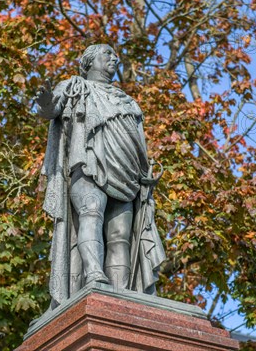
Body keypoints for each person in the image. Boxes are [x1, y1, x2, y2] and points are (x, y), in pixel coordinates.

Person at [36, 44, 165, 309]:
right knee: (90, 213)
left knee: (120, 235)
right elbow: (51, 110)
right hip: (88, 165)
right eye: (107, 53)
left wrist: (145, 173)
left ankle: (121, 294)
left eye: (115, 54)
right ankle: (94, 274)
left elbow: (137, 142)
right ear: (89, 61)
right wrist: (46, 101)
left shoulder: (127, 101)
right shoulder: (74, 86)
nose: (114, 57)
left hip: (128, 175)